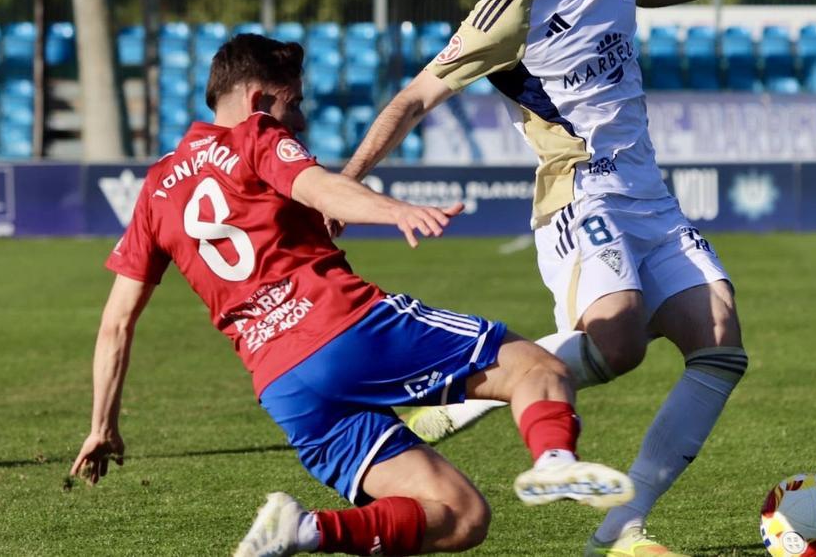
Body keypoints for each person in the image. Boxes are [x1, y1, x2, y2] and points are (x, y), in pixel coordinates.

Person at [331, 0, 811, 555]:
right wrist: (343, 189)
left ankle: (619, 529)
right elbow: (415, 96)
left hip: (651, 195)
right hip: (578, 192)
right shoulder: (510, 7)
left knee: (722, 342)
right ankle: (478, 390)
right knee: (620, 342)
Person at [68, 33, 634, 557]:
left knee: (461, 517)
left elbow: (117, 321)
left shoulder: (157, 189)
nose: (302, 118)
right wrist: (397, 211)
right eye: (296, 104)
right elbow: (321, 187)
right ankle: (557, 462)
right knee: (537, 369)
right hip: (345, 328)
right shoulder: (255, 136)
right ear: (262, 99)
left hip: (284, 386)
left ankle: (305, 528)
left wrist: (102, 426)